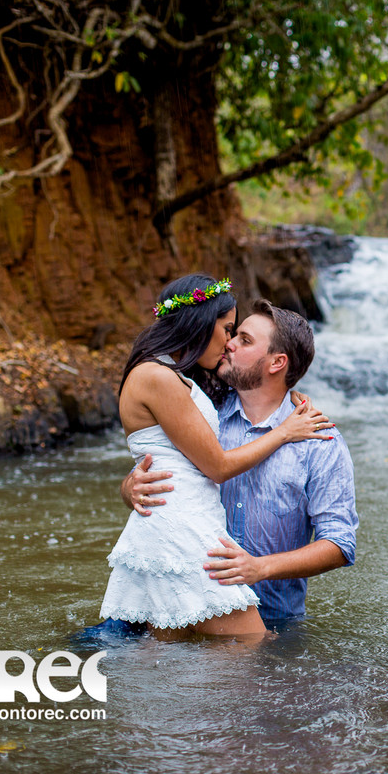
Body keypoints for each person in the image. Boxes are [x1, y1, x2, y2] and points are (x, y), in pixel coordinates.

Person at [100, 274, 333, 641]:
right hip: (184, 534)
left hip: (202, 545)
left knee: (167, 663)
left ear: (277, 363)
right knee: (255, 648)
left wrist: (286, 393)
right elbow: (217, 466)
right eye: (228, 330)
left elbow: (340, 544)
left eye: (241, 337)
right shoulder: (163, 379)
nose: (228, 343)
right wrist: (128, 487)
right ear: (200, 324)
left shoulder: (190, 382)